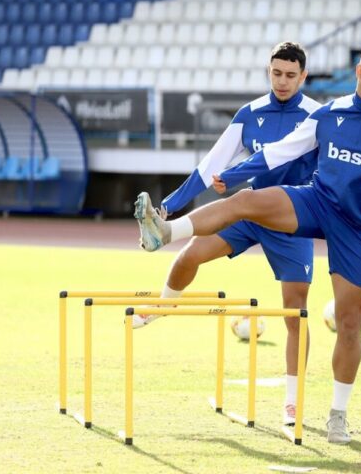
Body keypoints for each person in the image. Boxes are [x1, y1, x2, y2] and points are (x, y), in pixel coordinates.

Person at [134, 42, 361, 444]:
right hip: (316, 202)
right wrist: (236, 174)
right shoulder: (328, 115)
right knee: (243, 202)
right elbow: (278, 153)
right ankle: (166, 232)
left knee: (348, 322)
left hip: (360, 226)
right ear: (360, 71)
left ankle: (337, 415)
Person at [133, 42, 321, 426]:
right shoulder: (249, 114)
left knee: (294, 314)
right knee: (188, 256)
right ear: (268, 71)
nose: (282, 81)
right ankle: (166, 303)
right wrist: (166, 206)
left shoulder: (318, 116)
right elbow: (209, 167)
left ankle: (292, 401)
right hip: (248, 210)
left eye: (290, 75)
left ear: (304, 76)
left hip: (292, 219)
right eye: (276, 73)